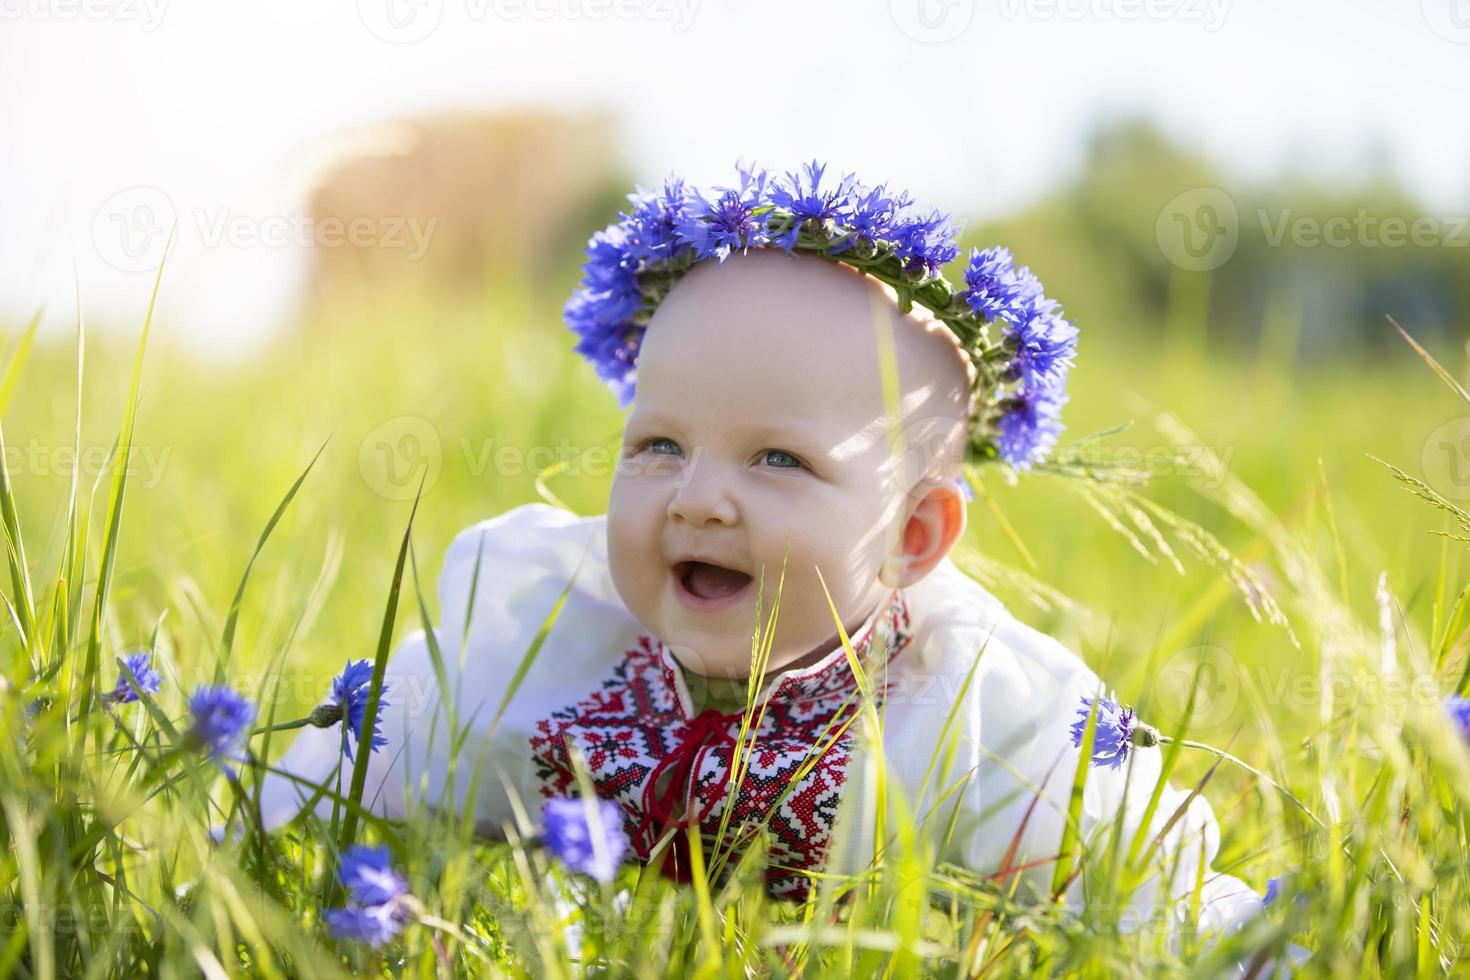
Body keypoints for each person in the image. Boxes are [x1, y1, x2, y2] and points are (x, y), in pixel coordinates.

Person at [257, 161, 1282, 960]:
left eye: (779, 459)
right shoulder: (558, 637)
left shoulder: (973, 713)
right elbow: (388, 743)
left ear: (912, 537)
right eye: (658, 445)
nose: (697, 496)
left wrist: (1235, 946)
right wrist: (258, 812)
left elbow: (1139, 875)